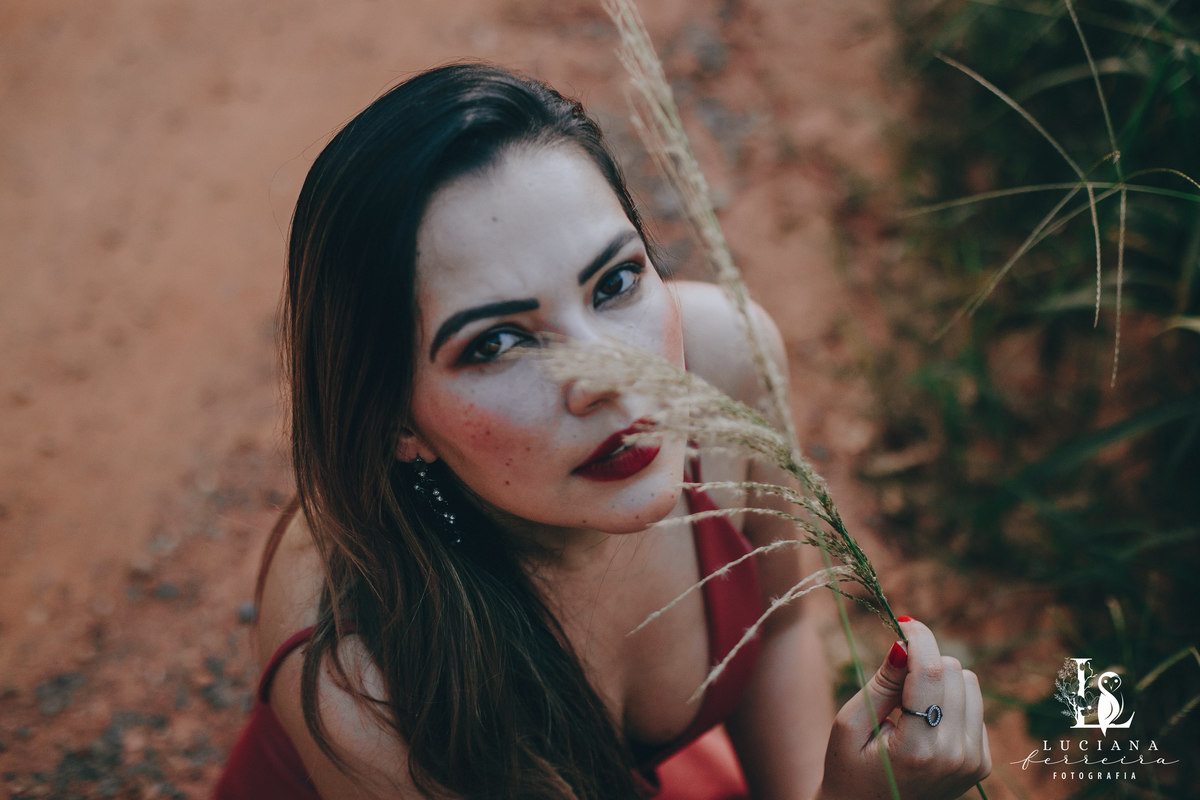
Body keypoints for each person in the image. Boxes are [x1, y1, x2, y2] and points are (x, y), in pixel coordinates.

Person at [215, 62, 991, 799]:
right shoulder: (358, 666)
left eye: (614, 282)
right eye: (496, 342)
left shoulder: (724, 363)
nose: (614, 377)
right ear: (393, 423)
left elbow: (783, 628)